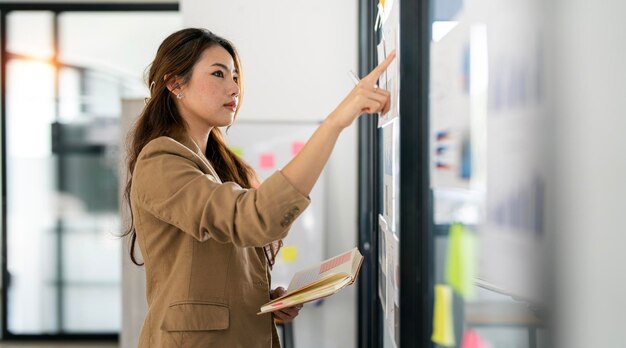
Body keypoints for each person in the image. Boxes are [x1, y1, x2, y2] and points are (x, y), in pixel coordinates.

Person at [123, 28, 395, 347]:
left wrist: (261, 301)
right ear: (176, 84)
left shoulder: (215, 164)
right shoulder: (161, 160)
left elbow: (216, 267)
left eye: (235, 76)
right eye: (218, 74)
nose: (234, 87)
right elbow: (254, 219)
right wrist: (336, 122)